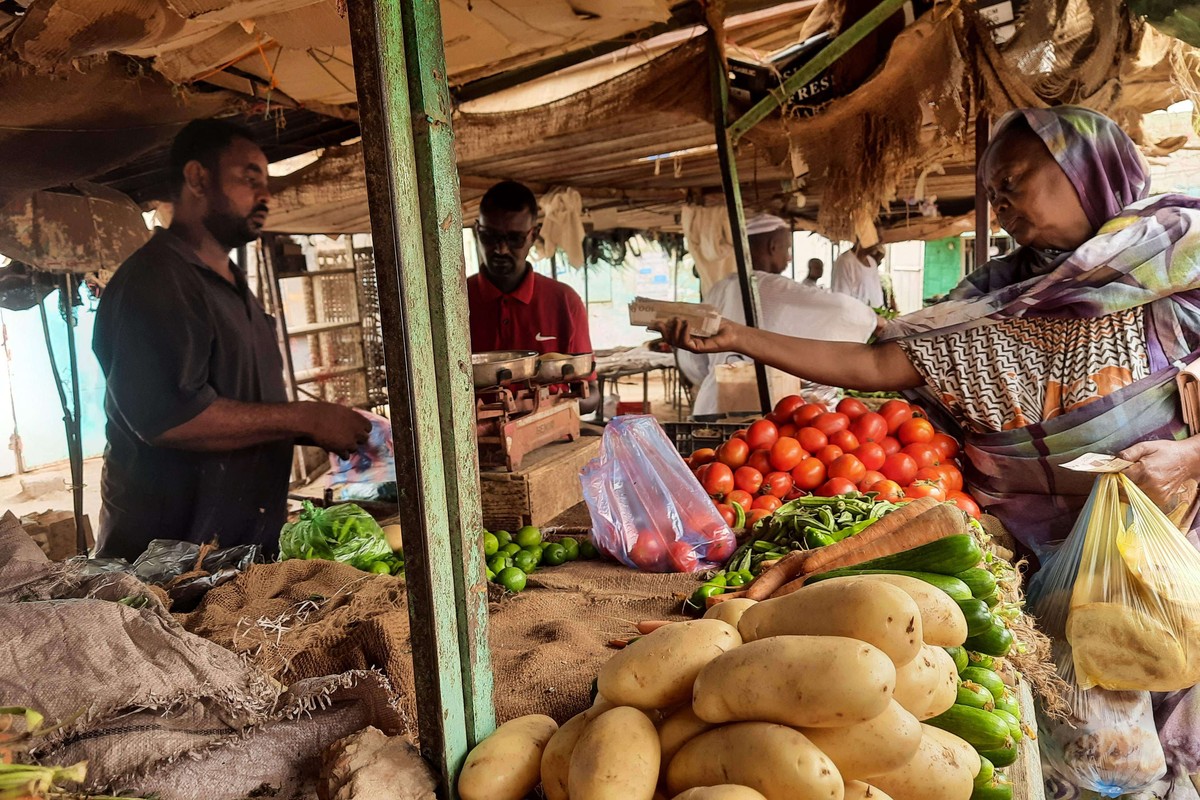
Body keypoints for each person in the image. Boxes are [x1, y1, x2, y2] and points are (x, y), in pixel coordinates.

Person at [657, 107, 1200, 789]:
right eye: (993, 191)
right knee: (1104, 755)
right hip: (1057, 558)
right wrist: (740, 339)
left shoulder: (1179, 265)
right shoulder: (992, 302)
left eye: (1015, 182)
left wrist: (1188, 457)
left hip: (1177, 537)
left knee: (1188, 710)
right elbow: (877, 366)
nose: (1000, 203)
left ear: (1087, 173)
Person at [92, 119, 371, 562]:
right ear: (197, 179)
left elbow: (244, 409)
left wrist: (324, 426)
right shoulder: (156, 280)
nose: (265, 196)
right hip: (166, 566)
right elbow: (172, 419)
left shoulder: (234, 284)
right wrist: (305, 417)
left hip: (234, 553)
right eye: (249, 178)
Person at [676, 215, 876, 417]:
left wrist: (717, 376)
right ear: (773, 247)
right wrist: (874, 320)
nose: (788, 257)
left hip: (711, 407)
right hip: (761, 410)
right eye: (786, 248)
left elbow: (692, 359)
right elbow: (843, 310)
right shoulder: (770, 287)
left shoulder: (718, 288)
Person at [467, 180, 599, 411]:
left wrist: (549, 407)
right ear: (478, 231)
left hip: (549, 439)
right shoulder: (453, 303)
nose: (501, 249)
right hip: (471, 443)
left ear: (533, 235)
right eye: (490, 236)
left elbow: (592, 394)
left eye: (514, 239)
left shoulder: (565, 302)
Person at [831, 241, 886, 308]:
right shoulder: (845, 261)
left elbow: (877, 294)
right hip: (855, 316)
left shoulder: (872, 262)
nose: (878, 243)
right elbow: (841, 300)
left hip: (874, 316)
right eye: (875, 238)